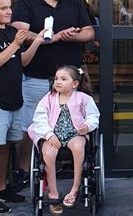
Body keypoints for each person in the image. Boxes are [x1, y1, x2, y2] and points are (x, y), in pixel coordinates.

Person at [11, 0, 95, 191]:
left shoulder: (74, 3)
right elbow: (20, 32)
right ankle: (24, 170)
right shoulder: (28, 2)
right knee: (31, 126)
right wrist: (50, 37)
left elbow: (89, 32)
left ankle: (68, 164)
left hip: (69, 81)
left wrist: (72, 36)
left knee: (73, 120)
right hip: (37, 77)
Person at [0, 0, 45, 213]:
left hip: (14, 99)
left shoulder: (11, 32)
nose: (9, 11)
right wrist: (15, 44)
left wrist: (36, 42)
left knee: (5, 146)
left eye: (10, 7)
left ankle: (1, 190)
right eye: (3, 8)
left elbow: (20, 61)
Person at [28, 65, 99, 214]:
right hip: (53, 134)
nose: (58, 82)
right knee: (48, 152)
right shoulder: (48, 98)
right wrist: (49, 134)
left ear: (75, 84)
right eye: (56, 78)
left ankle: (75, 188)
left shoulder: (83, 98)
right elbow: (39, 118)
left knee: (79, 147)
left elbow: (93, 115)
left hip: (75, 133)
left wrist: (87, 125)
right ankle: (53, 192)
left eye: (63, 79)